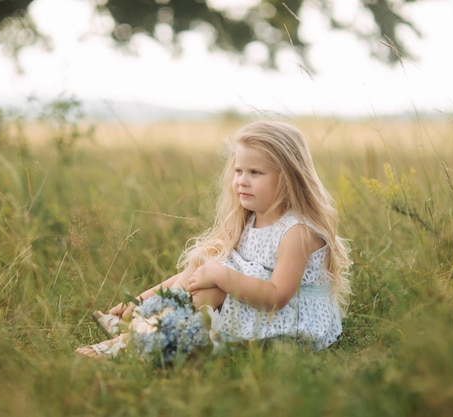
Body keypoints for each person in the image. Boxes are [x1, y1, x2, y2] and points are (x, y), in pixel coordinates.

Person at [75, 120, 352, 358]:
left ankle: (129, 344)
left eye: (255, 172)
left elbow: (277, 297)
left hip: (294, 318)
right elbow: (201, 268)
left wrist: (222, 277)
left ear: (289, 177)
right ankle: (139, 313)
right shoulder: (250, 217)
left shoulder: (297, 232)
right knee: (207, 265)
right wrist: (140, 299)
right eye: (238, 170)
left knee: (214, 286)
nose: (242, 180)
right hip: (256, 303)